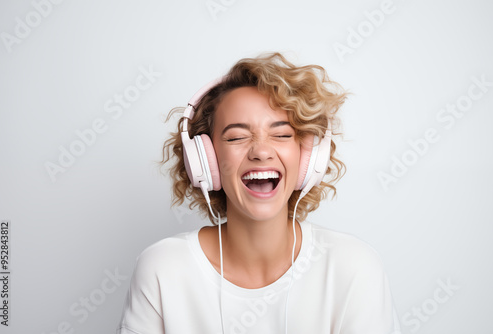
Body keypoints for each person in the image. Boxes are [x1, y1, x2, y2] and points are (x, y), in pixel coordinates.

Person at [116, 52, 400, 334]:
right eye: (237, 137)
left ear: (308, 157)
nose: (261, 151)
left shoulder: (353, 267)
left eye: (282, 134)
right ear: (204, 161)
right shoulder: (162, 270)